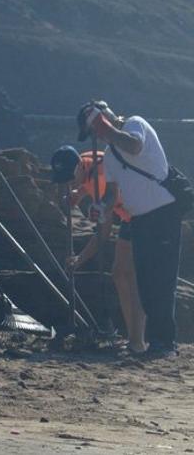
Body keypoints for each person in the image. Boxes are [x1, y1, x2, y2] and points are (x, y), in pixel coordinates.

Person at [79, 100, 184, 359]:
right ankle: (152, 342)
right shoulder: (110, 154)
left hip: (163, 213)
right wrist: (100, 208)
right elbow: (112, 195)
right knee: (146, 281)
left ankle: (164, 343)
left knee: (162, 279)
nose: (96, 135)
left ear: (104, 119)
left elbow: (134, 146)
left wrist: (107, 129)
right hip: (139, 219)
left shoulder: (136, 124)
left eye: (95, 128)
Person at [64, 148, 145, 354]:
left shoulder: (100, 172)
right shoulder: (86, 168)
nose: (68, 184)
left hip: (143, 215)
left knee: (134, 278)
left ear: (79, 166)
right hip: (129, 218)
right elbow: (86, 186)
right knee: (119, 273)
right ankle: (133, 336)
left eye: (68, 178)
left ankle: (138, 340)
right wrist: (78, 194)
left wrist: (79, 259)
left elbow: (104, 230)